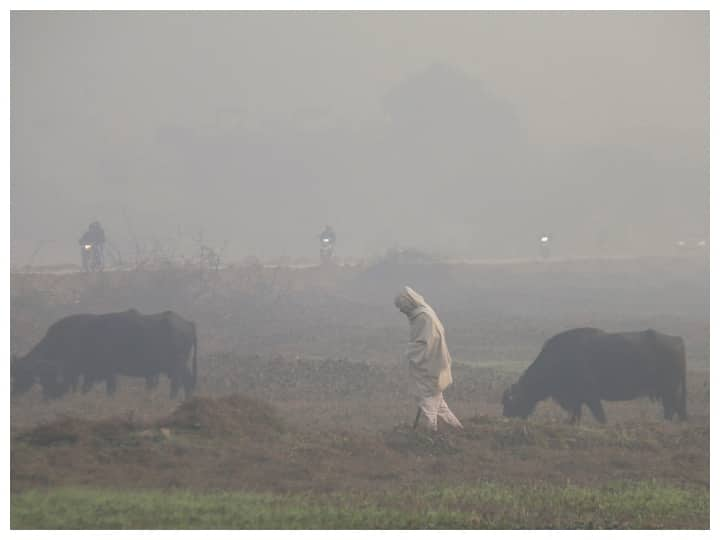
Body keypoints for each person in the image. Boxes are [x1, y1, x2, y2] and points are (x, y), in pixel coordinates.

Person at [394, 286, 463, 432]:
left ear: (408, 303)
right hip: (432, 364)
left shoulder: (423, 317)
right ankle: (458, 429)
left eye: (401, 307)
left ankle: (431, 432)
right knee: (438, 403)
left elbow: (427, 342)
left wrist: (410, 352)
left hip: (429, 366)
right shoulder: (422, 314)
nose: (401, 311)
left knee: (428, 402)